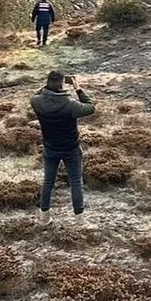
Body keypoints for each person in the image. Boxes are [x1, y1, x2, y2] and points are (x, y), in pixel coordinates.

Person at [31, 71, 96, 225]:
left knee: (48, 182)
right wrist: (78, 88)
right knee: (75, 182)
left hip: (50, 148)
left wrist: (46, 87)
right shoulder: (70, 104)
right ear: (62, 84)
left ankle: (44, 217)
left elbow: (37, 94)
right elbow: (90, 107)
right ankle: (79, 220)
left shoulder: (37, 102)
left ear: (47, 83)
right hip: (71, 149)